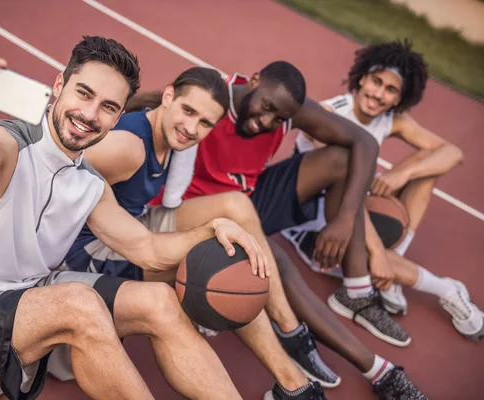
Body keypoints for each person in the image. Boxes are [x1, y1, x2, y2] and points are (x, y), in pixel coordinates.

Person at [0, 37, 269, 400]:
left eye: (108, 107)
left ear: (119, 116)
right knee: (80, 303)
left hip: (27, 301)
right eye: (84, 94)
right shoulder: (8, 146)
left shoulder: (90, 183)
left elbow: (148, 248)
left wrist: (212, 228)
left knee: (159, 300)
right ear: (59, 85)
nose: (90, 115)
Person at [68, 63, 426, 399]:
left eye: (205, 122)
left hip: (173, 217)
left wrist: (347, 218)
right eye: (189, 113)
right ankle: (312, 365)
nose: (193, 129)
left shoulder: (176, 138)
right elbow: (62, 162)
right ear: (168, 97)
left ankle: (299, 364)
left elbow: (363, 143)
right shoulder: (134, 143)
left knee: (238, 250)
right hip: (110, 245)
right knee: (229, 267)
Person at [284, 39, 483, 340]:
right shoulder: (328, 115)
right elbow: (344, 197)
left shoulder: (393, 120)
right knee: (365, 211)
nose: (378, 94)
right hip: (320, 226)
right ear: (362, 77)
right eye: (376, 81)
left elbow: (452, 153)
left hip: (354, 208)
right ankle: (448, 289)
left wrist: (402, 174)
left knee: (426, 165)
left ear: (399, 100)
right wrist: (376, 253)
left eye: (391, 90)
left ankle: (389, 273)